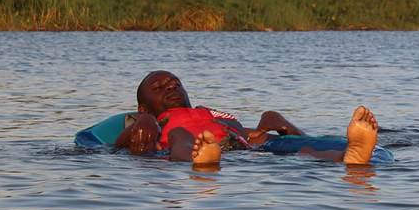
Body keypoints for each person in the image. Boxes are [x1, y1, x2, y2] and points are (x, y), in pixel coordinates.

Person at [113, 70, 379, 167]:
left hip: (237, 148)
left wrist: (282, 125)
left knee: (304, 151)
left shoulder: (209, 114)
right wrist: (142, 123)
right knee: (180, 135)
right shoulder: (152, 121)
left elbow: (252, 136)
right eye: (159, 89)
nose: (170, 88)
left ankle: (350, 156)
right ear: (144, 107)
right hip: (186, 145)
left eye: (175, 84)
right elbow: (119, 144)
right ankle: (200, 159)